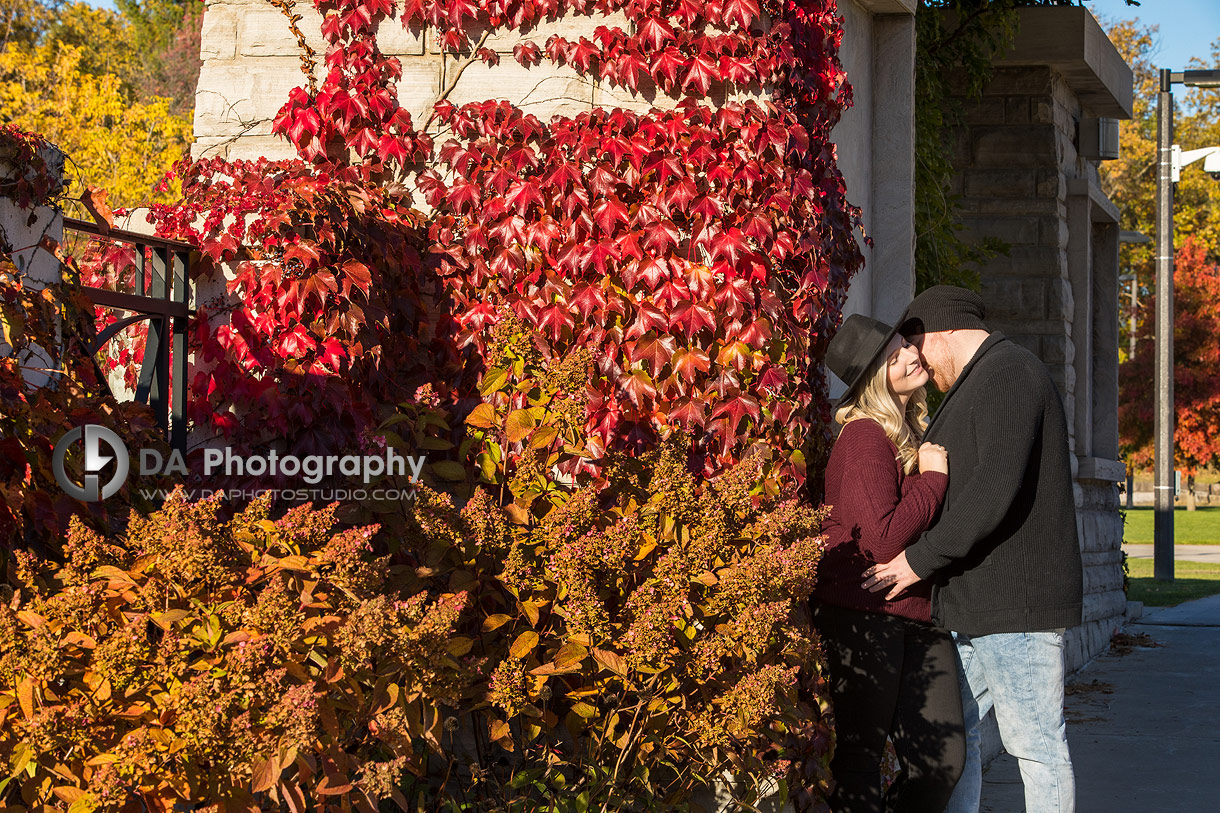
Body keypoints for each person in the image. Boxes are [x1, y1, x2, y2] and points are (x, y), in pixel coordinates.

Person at [861, 286, 1083, 813]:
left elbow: (992, 491)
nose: (915, 360)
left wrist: (917, 561)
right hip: (976, 607)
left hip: (1016, 608)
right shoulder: (981, 380)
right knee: (958, 747)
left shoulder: (1011, 372)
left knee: (1036, 748)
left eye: (915, 344)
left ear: (940, 332)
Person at [813, 313, 965, 812]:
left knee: (941, 762)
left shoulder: (904, 435)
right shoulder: (864, 437)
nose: (910, 354)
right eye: (893, 354)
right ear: (873, 377)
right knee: (859, 761)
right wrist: (933, 481)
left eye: (905, 344)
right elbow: (878, 543)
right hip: (866, 615)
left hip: (914, 615)